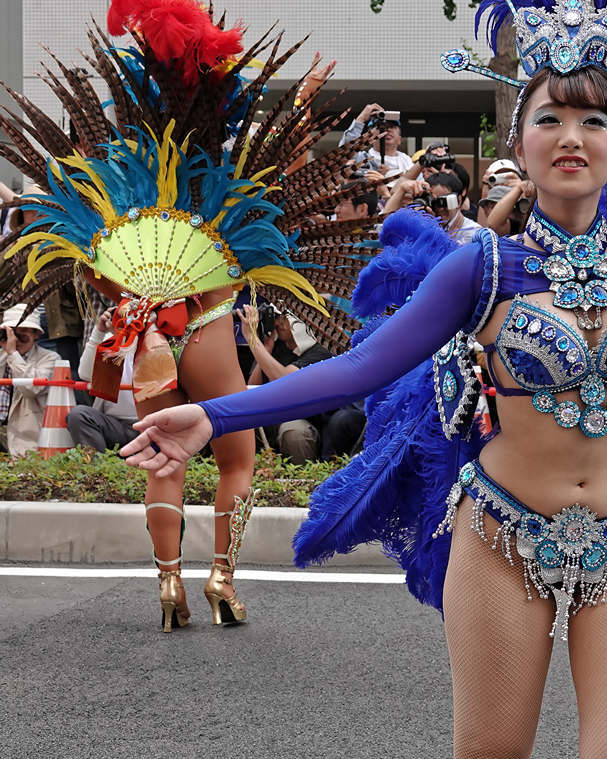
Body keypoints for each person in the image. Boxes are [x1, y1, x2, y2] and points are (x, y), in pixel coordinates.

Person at [121, 1, 607, 759]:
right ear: (518, 144)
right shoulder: (481, 269)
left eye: (593, 118)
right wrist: (213, 414)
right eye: (549, 117)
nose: (570, 136)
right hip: (502, 537)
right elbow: (361, 369)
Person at [3, 3, 379, 632]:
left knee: (164, 460)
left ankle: (169, 583)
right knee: (237, 461)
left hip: (143, 340)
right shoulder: (229, 180)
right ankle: (222, 579)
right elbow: (270, 227)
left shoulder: (121, 182)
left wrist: (130, 285)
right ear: (218, 107)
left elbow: (97, 270)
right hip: (207, 330)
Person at [236, 306, 364, 462]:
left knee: (293, 432)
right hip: (278, 417)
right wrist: (266, 350)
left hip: (316, 424)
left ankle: (304, 478)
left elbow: (284, 382)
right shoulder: (278, 347)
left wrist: (252, 340)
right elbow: (253, 387)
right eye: (277, 318)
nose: (279, 324)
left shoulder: (320, 350)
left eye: (285, 318)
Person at [68, 306, 139, 451]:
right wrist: (99, 331)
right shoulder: (109, 341)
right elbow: (85, 375)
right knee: (79, 415)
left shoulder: (155, 340)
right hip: (114, 424)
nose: (123, 320)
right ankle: (97, 470)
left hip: (152, 424)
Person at [0, 304, 57, 455]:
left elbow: (31, 388)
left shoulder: (50, 359)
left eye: (23, 334)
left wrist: (13, 355)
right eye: (12, 333)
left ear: (36, 334)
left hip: (27, 441)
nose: (16, 340)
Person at [339, 104, 415, 177]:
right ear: (370, 137)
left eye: (391, 126)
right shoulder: (362, 161)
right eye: (380, 126)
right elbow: (344, 153)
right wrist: (361, 119)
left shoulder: (410, 166)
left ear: (399, 139)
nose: (387, 130)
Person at [427, 172, 483, 245]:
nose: (439, 208)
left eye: (444, 202)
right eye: (434, 203)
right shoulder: (427, 227)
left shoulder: (473, 233)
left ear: (458, 201)